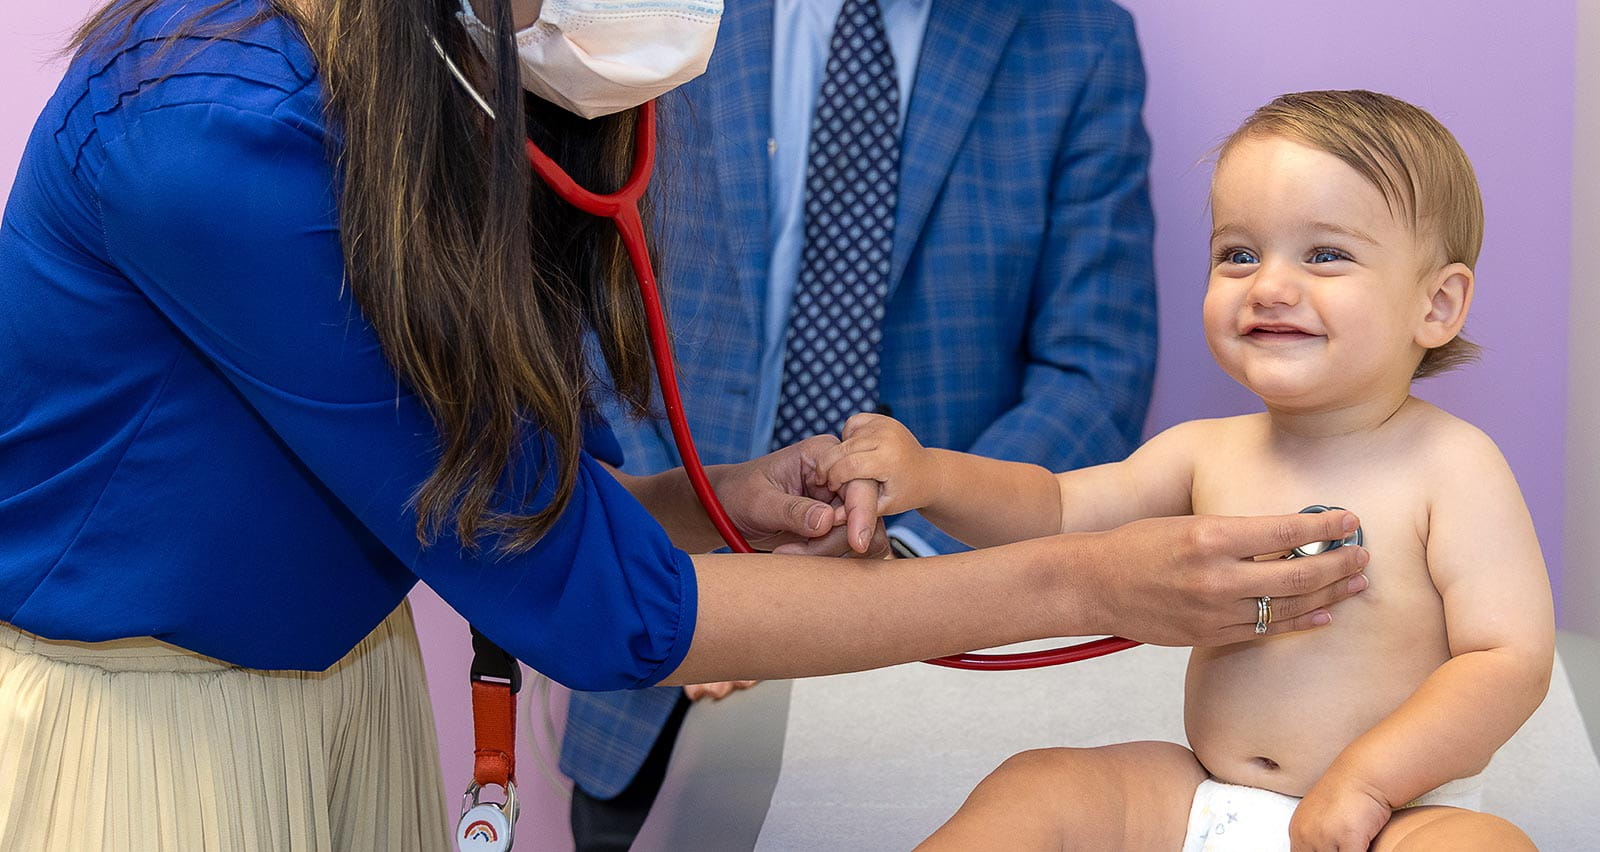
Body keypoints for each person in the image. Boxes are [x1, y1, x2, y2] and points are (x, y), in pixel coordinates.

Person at [0, 0, 1371, 847]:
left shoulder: (437, 70)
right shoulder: (215, 133)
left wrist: (709, 499)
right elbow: (602, 608)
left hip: (333, 715)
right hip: (157, 749)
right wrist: (1081, 578)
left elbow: (472, 481)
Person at [814, 90, 1554, 851]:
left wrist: (1367, 781)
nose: (1268, 285)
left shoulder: (1453, 466)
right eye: (1239, 253)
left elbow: (1510, 661)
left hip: (1395, 817)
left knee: (1485, 846)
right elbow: (1055, 510)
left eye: (1325, 254)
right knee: (1039, 783)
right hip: (1206, 797)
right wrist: (932, 474)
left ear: (1437, 304)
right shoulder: (1205, 449)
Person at [562, 0, 1159, 843]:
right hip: (655, 656)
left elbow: (1095, 377)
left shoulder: (1074, 39)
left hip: (928, 684)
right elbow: (575, 315)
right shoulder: (654, 10)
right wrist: (690, 565)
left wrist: (896, 566)